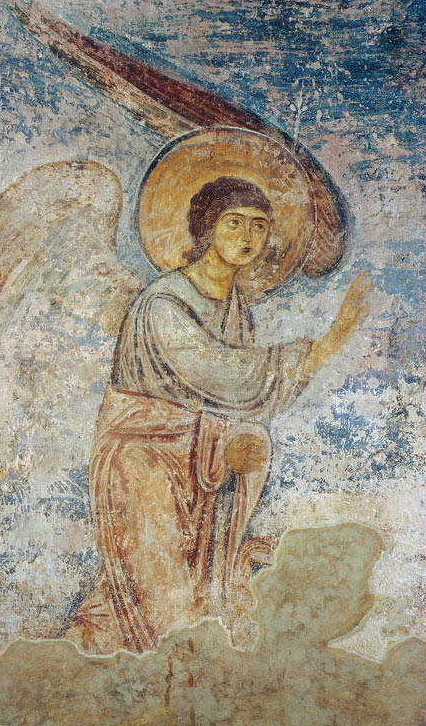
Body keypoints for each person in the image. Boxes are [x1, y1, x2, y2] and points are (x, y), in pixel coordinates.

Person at [64, 176, 370, 655]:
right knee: (162, 599)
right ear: (207, 228)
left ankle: (85, 659)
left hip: (197, 466)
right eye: (234, 223)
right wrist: (327, 344)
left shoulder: (236, 308)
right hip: (144, 462)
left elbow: (230, 405)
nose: (248, 237)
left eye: (259, 226)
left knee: (168, 601)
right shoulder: (162, 303)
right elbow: (224, 376)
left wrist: (240, 439)